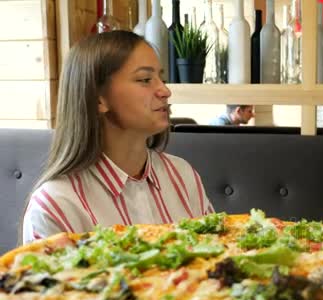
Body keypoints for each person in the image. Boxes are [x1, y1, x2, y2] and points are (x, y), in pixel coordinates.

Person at [22, 31, 214, 243]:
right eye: (145, 79)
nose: (165, 90)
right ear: (98, 99)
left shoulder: (183, 175)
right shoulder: (55, 205)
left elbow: (219, 256)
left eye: (162, 78)